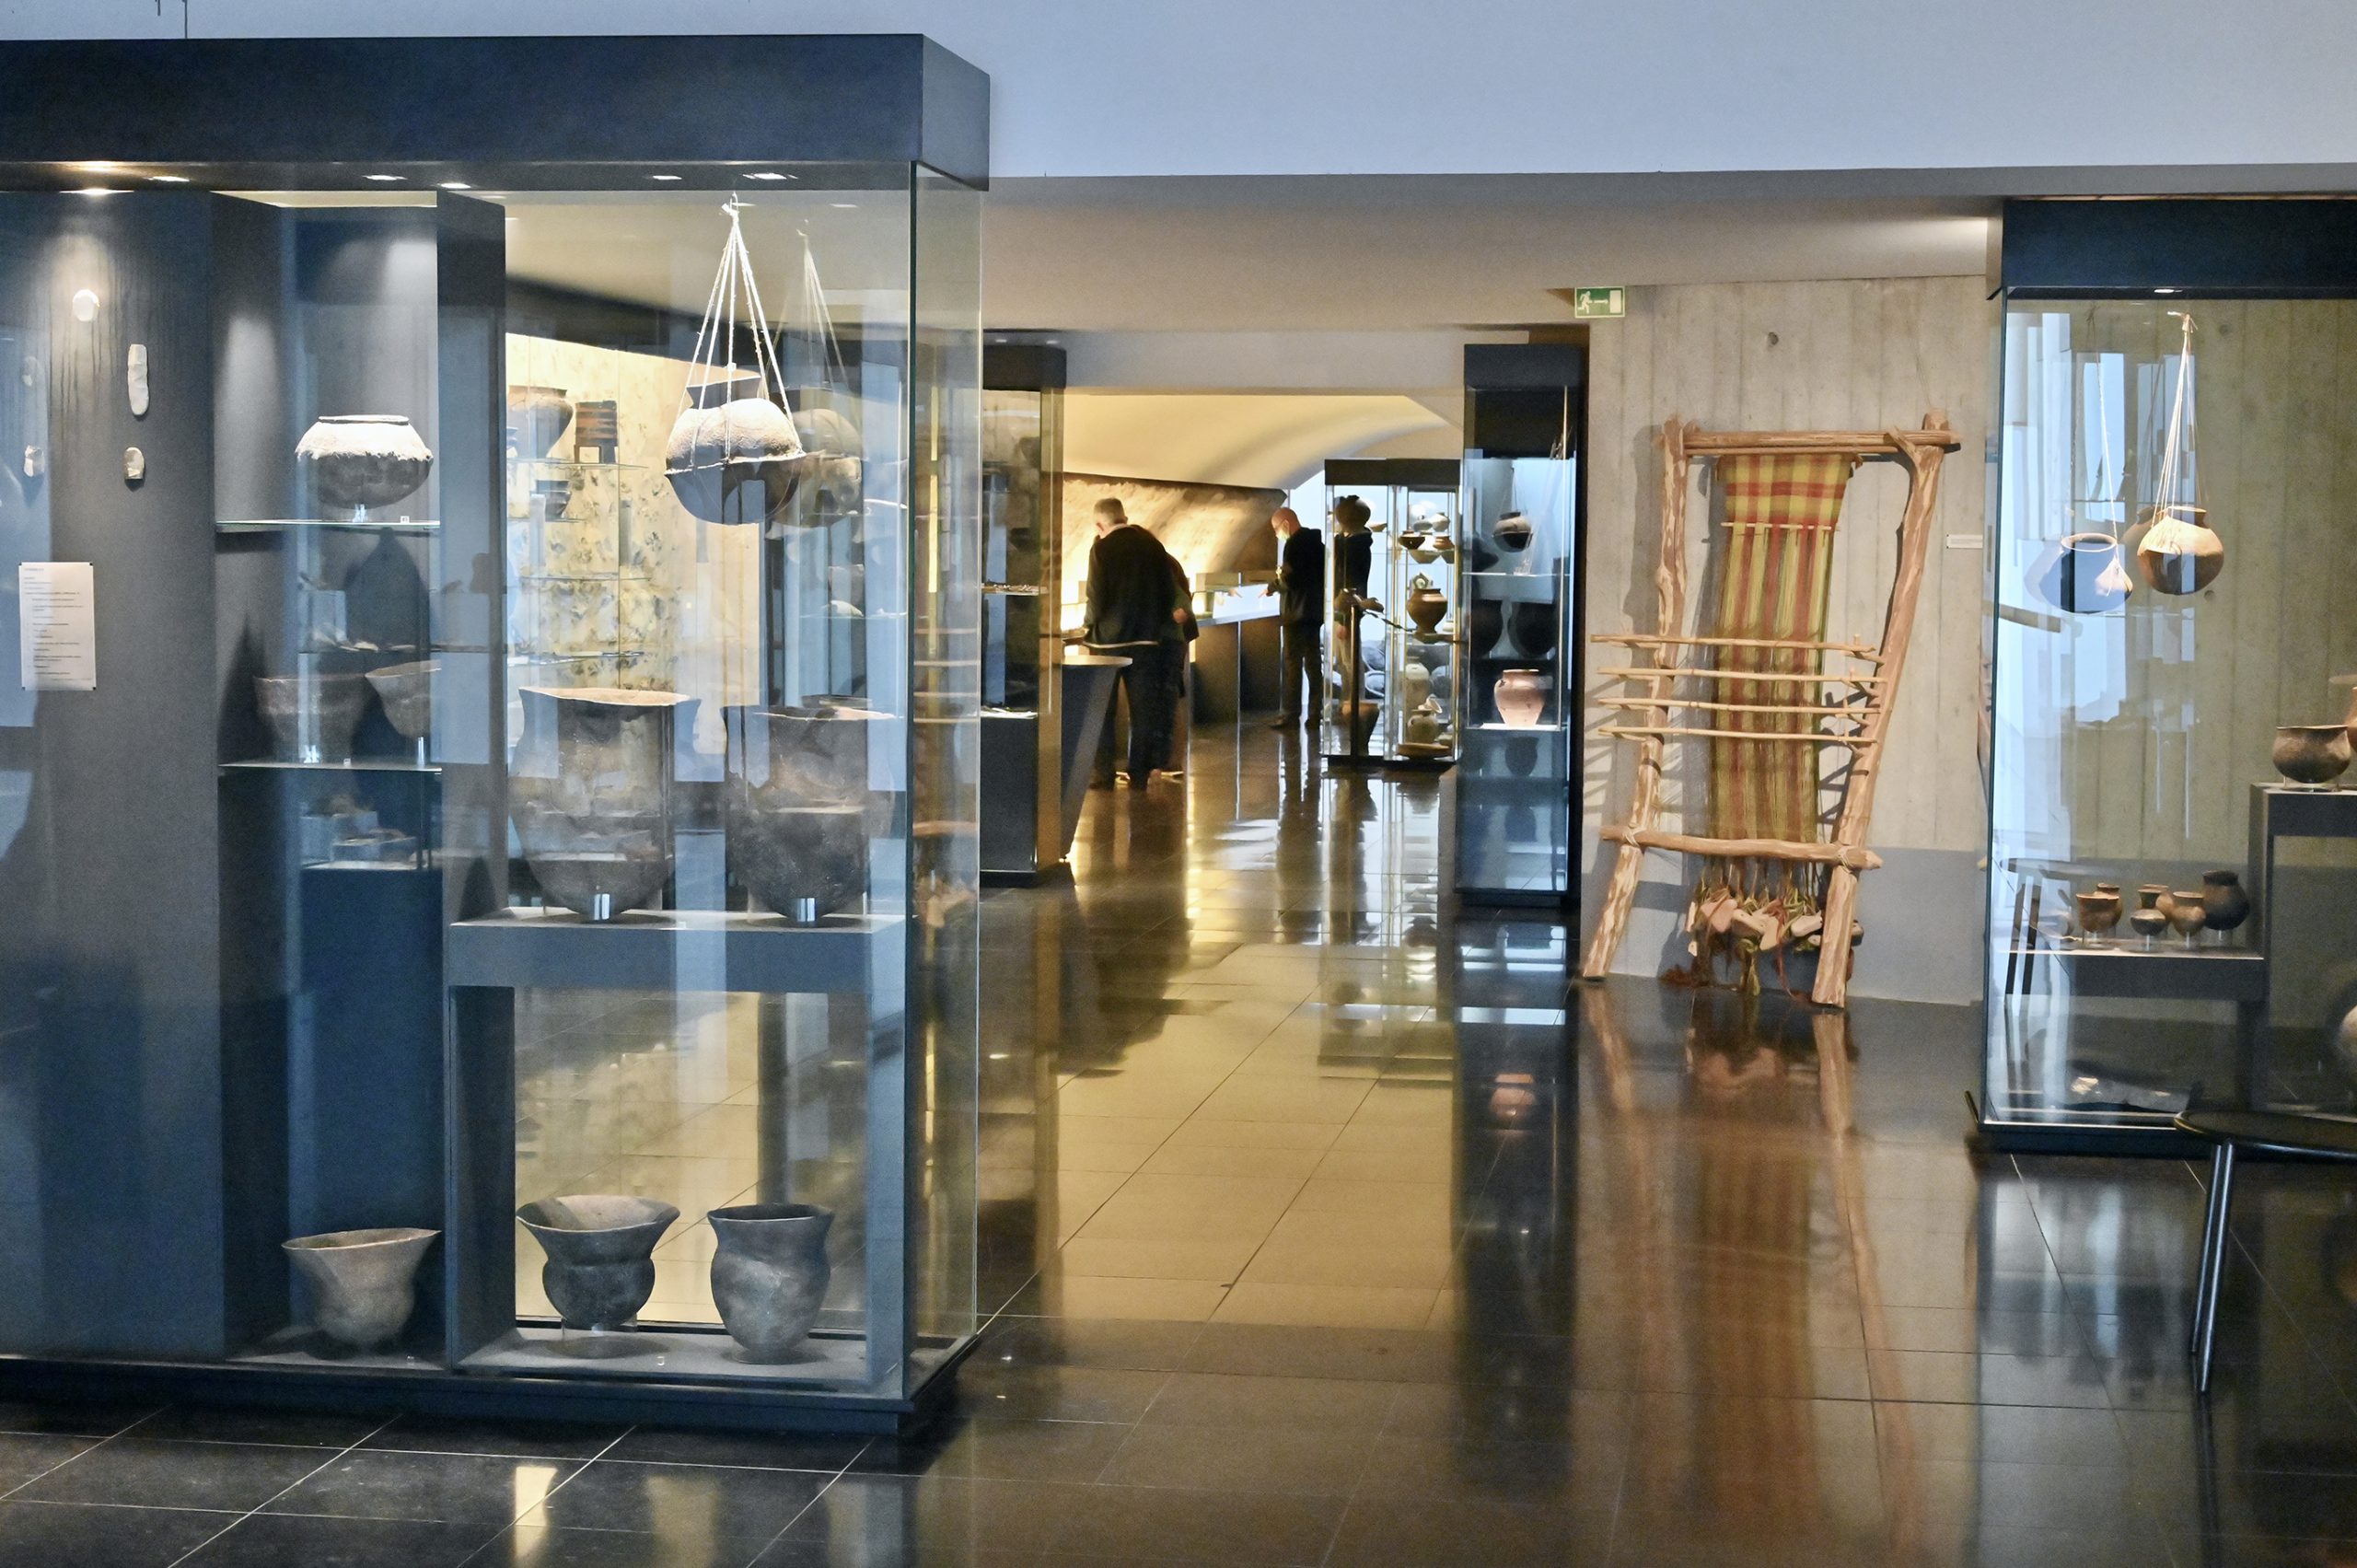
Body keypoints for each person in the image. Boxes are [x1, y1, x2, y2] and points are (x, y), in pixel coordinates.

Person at [1082, 496, 1179, 789]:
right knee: (1143, 711)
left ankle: (1103, 773)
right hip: (1146, 640)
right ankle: (1139, 772)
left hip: (1107, 644)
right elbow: (1167, 591)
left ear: (1100, 524)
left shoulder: (1101, 548)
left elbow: (1096, 595)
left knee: (1103, 710)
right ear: (1123, 517)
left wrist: (1089, 624)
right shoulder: (1152, 545)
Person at [1268, 505, 1325, 729]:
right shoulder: (1318, 544)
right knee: (1313, 664)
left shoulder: (1293, 545)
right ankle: (1315, 714)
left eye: (1276, 529)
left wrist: (1274, 585)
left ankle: (1291, 715)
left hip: (1294, 613)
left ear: (1286, 524)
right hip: (1314, 613)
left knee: (1292, 665)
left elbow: (1290, 580)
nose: (1277, 534)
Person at [1159, 551, 1198, 775]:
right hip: (1175, 639)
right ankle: (1170, 759)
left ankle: (1171, 760)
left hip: (1170, 639)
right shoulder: (1166, 561)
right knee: (1173, 695)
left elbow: (1182, 604)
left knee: (1170, 696)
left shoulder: (1161, 565)